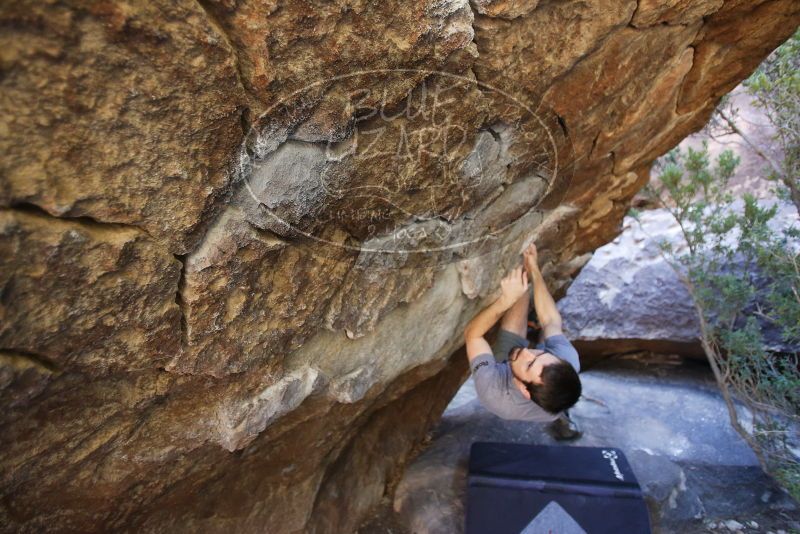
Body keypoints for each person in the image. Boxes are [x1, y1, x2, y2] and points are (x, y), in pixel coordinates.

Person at [464, 242, 582, 440]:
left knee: (513, 337)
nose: (527, 351)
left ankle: (561, 415)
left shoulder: (494, 392)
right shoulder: (567, 360)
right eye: (541, 355)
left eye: (530, 364)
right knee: (545, 324)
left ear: (523, 389)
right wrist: (533, 268)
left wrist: (505, 301)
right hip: (536, 381)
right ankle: (530, 304)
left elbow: (473, 335)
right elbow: (552, 321)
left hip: (505, 373)